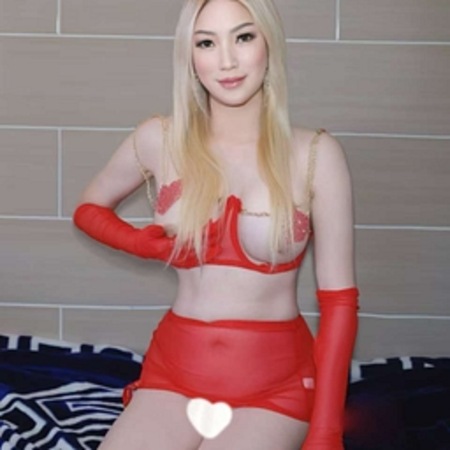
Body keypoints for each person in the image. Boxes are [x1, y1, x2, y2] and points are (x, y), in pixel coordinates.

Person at [73, 0, 359, 448]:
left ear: (269, 43)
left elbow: (339, 302)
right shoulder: (160, 139)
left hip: (275, 388)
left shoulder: (316, 155)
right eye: (206, 43)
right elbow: (89, 209)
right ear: (189, 55)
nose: (226, 61)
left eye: (243, 37)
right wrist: (143, 244)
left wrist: (326, 430)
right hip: (173, 375)